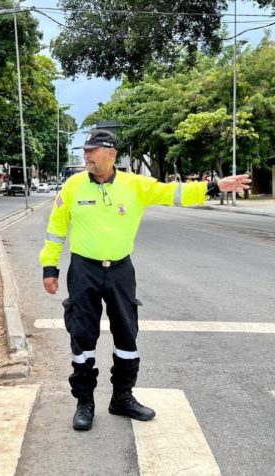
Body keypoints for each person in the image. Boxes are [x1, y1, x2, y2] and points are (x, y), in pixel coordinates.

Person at [39, 129, 251, 431]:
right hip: (83, 270)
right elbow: (56, 229)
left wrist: (215, 186)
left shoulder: (135, 185)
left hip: (121, 270)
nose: (87, 155)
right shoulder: (73, 187)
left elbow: (173, 192)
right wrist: (50, 268)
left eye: (93, 151)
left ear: (111, 154)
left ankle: (122, 397)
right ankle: (84, 401)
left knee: (126, 334)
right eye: (85, 151)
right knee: (82, 336)